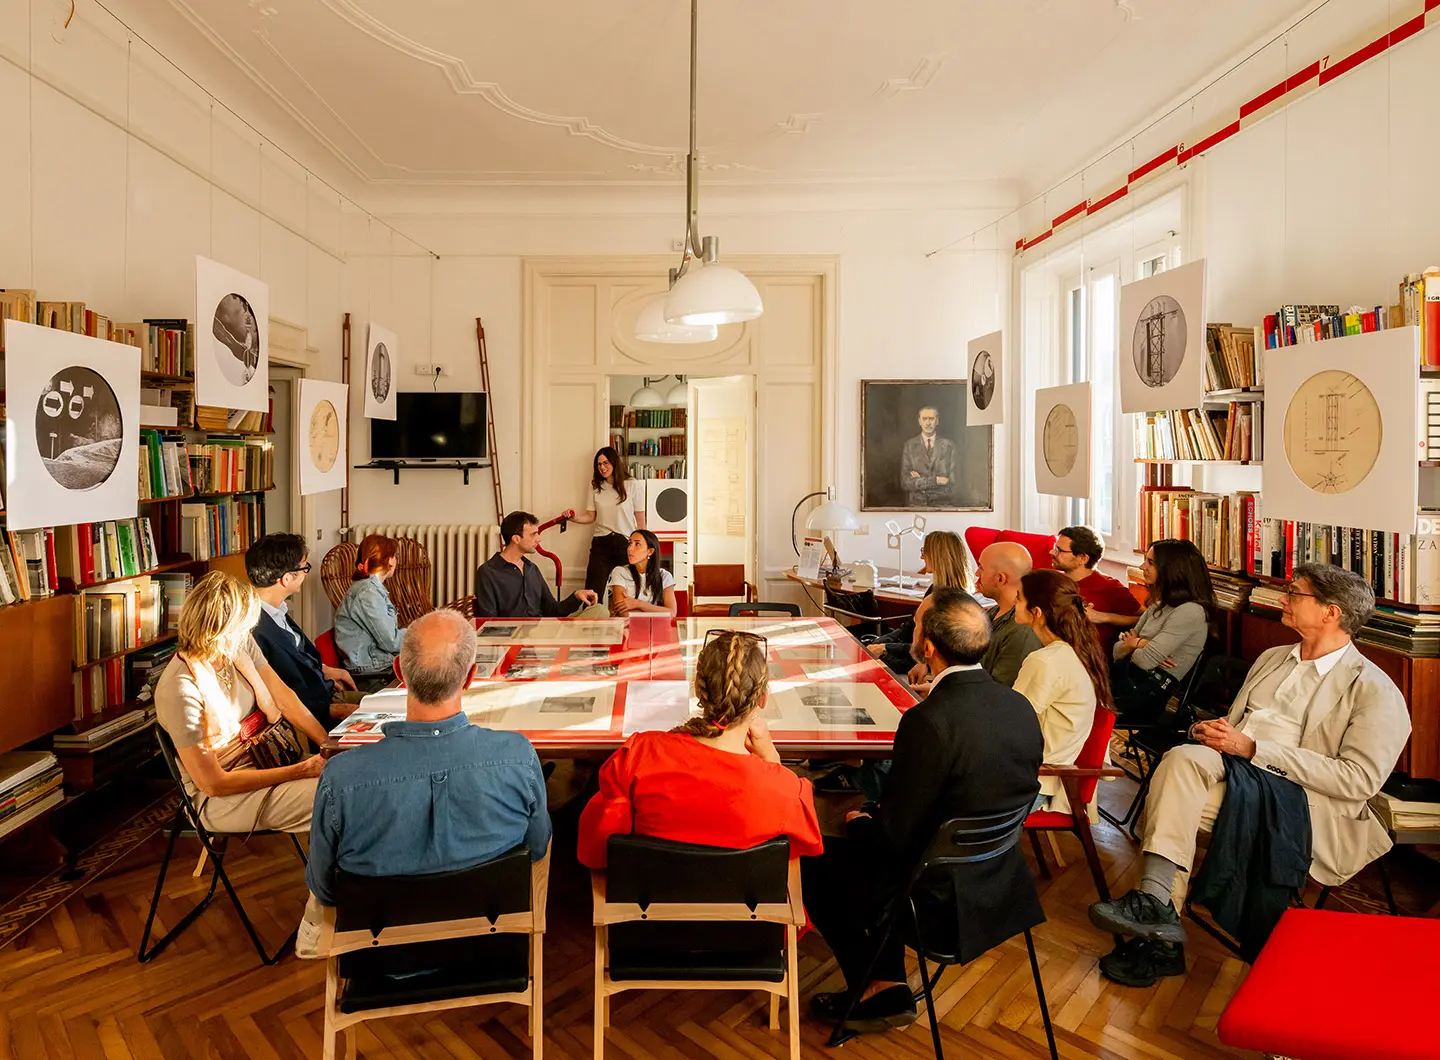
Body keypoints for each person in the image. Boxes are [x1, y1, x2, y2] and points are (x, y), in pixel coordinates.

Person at [1089, 564, 1410, 987]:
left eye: (1295, 593)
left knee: (1171, 797)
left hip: (1298, 799)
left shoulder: (1374, 689)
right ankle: (1155, 908)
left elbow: (1357, 780)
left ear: (1331, 613)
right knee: (1183, 758)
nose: (1283, 599)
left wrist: (1254, 749)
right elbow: (1238, 725)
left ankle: (1158, 926)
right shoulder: (1273, 658)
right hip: (1232, 770)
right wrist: (1211, 731)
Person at [804, 588, 1045, 1035]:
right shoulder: (1019, 706)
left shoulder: (927, 721)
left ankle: (876, 988)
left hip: (938, 890)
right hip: (1000, 875)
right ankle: (885, 981)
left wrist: (862, 824)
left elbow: (896, 839)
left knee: (816, 862)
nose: (912, 631)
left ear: (929, 647)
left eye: (915, 624)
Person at [300, 609, 552, 957]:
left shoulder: (341, 778)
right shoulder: (518, 755)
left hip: (378, 960)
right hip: (489, 951)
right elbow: (537, 847)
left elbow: (326, 888)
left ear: (399, 672)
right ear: (470, 678)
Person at [577, 629, 821, 869]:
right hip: (746, 906)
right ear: (763, 698)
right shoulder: (785, 789)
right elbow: (797, 847)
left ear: (698, 689)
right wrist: (770, 757)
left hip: (648, 902)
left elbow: (597, 849)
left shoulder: (639, 753)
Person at [153, 571, 330, 838]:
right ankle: (336, 878)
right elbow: (213, 784)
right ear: (224, 630)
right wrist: (300, 771)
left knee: (357, 780)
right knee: (341, 797)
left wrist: (328, 747)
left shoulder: (237, 644)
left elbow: (284, 697)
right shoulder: (179, 689)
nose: (250, 630)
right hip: (225, 798)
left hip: (270, 761)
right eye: (244, 625)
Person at [1011, 569, 1111, 814]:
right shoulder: (1077, 651)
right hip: (1041, 778)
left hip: (1029, 784)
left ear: (1036, 613)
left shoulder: (1046, 661)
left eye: (1018, 598)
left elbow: (1009, 726)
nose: (1013, 603)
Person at [246, 533, 365, 727]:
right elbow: (283, 691)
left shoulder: (277, 610)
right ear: (286, 579)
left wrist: (323, 671)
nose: (306, 574)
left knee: (394, 705)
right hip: (315, 713)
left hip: (325, 693)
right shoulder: (256, 628)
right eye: (304, 568)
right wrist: (331, 708)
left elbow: (298, 659)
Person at [912, 541, 1038, 691]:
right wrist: (927, 668)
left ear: (1000, 579)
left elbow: (999, 690)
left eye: (981, 568)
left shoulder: (1022, 630)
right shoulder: (991, 613)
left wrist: (939, 690)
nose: (977, 573)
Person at [1111, 539, 1214, 723]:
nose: (1143, 566)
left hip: (1143, 697)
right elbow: (1117, 652)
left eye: (1151, 562)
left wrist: (1135, 642)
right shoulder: (1159, 606)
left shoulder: (1190, 611)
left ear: (1172, 569)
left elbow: (1143, 660)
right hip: (1127, 682)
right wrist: (1142, 645)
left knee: (1074, 701)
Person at [867, 530, 972, 675]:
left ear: (937, 556)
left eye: (924, 552)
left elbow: (930, 648)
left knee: (870, 664)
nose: (921, 557)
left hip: (922, 663)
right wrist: (881, 642)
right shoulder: (934, 589)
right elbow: (908, 630)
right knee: (868, 650)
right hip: (912, 654)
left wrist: (886, 647)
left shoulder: (953, 600)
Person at [474, 511, 600, 618]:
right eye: (533, 534)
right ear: (516, 539)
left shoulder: (531, 568)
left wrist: (576, 596)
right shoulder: (488, 572)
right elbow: (488, 623)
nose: (539, 539)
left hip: (541, 631)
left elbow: (552, 610)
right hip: (514, 638)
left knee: (599, 611)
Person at [567, 447, 647, 598]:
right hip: (601, 543)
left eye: (605, 463)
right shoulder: (596, 487)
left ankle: (624, 621)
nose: (602, 467)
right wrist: (574, 518)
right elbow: (590, 516)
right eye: (598, 465)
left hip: (625, 543)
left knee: (627, 592)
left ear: (614, 463)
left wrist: (643, 545)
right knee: (592, 590)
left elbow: (641, 519)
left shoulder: (632, 485)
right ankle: (591, 620)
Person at [1050, 525, 1141, 654]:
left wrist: (1103, 617)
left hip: (1090, 662)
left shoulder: (1109, 587)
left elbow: (1144, 618)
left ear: (1083, 558)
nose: (1052, 552)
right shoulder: (1055, 580)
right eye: (1055, 547)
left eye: (1059, 550)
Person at [333, 534, 405, 694]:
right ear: (389, 561)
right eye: (395, 555)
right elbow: (391, 642)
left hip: (378, 668)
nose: (396, 560)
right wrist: (418, 636)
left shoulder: (369, 589)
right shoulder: (368, 593)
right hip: (374, 676)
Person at [606, 529, 677, 617]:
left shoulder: (665, 576)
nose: (630, 549)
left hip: (656, 627)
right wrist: (657, 611)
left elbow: (671, 613)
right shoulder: (620, 572)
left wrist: (638, 604)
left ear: (650, 551)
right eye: (630, 544)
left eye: (637, 544)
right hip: (628, 627)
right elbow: (624, 613)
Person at [900, 406, 957, 508]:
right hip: (916, 506)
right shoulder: (909, 446)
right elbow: (905, 482)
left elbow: (952, 482)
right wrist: (936, 481)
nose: (928, 423)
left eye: (931, 419)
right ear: (919, 421)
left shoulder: (949, 446)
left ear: (937, 421)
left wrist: (919, 482)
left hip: (943, 505)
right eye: (924, 419)